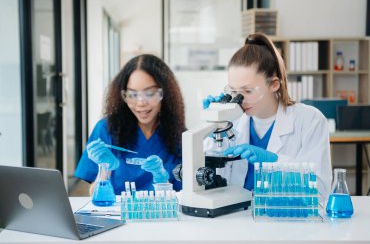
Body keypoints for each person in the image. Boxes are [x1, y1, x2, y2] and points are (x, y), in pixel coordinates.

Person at [203, 32, 332, 199]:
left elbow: (321, 190)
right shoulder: (231, 122)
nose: (239, 99)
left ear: (274, 84)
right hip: (236, 217)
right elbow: (207, 177)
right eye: (234, 91)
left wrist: (275, 161)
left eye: (248, 91)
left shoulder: (310, 120)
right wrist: (213, 125)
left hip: (283, 220)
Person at [75, 54, 186, 195]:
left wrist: (161, 179)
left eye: (150, 93)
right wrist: (105, 169)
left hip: (161, 215)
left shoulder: (180, 137)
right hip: (116, 216)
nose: (141, 103)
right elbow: (94, 195)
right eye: (132, 95)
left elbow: (182, 195)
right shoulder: (106, 129)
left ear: (165, 94)